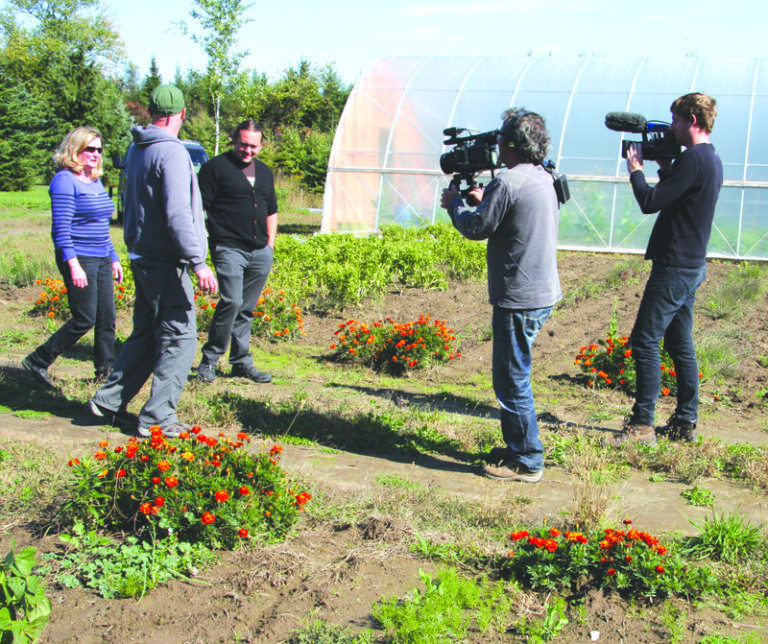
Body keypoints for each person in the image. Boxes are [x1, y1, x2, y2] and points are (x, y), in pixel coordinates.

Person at [440, 108, 561, 483]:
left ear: (511, 145)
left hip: (518, 298)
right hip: (540, 292)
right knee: (514, 375)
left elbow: (477, 227)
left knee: (511, 381)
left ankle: (527, 460)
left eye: (499, 141)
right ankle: (517, 446)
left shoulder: (507, 182)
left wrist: (455, 203)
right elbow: (512, 216)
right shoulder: (543, 174)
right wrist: (484, 198)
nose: (495, 147)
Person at [90, 84, 218, 437]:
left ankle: (108, 401)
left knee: (147, 333)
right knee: (181, 337)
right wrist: (198, 262)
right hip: (165, 260)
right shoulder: (172, 152)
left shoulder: (138, 148)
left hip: (141, 253)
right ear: (181, 113)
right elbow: (177, 213)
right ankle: (158, 417)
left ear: (150, 112)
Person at [607, 92, 723, 447]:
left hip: (674, 267)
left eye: (675, 120)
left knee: (644, 340)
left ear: (692, 120)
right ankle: (685, 421)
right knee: (679, 342)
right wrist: (665, 168)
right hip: (691, 264)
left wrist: (636, 170)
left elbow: (651, 201)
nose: (671, 128)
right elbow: (681, 197)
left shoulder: (693, 160)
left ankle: (642, 426)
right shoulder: (710, 158)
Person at [22, 127, 123, 387]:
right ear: (75, 150)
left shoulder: (95, 180)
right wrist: (73, 264)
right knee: (85, 318)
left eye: (99, 149)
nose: (96, 154)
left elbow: (101, 225)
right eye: (90, 149)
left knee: (107, 317)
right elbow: (60, 229)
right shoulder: (65, 181)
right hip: (79, 257)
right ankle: (37, 360)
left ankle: (105, 371)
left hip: (101, 256)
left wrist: (113, 257)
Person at [195, 119, 277, 384]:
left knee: (246, 308)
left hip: (259, 251)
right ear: (233, 140)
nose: (247, 150)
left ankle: (241, 362)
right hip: (229, 247)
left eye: (253, 146)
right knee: (231, 301)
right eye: (243, 144)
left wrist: (269, 246)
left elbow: (272, 210)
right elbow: (198, 210)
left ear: (261, 145)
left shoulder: (264, 171)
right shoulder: (215, 168)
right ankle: (210, 359)